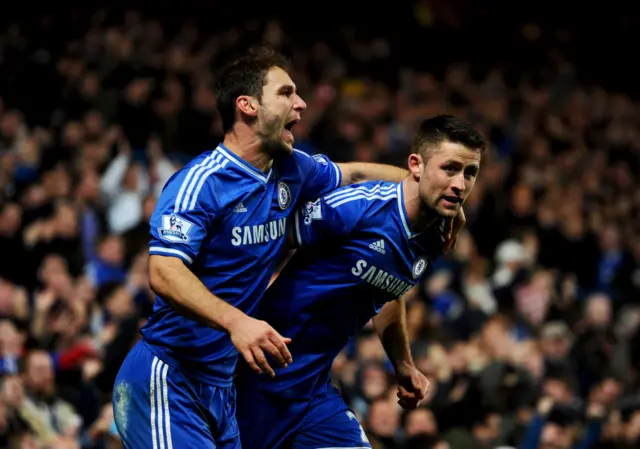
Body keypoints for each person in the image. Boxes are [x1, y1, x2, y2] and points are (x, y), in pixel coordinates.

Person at [112, 46, 422, 449]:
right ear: (248, 106)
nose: (301, 103)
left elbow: (356, 173)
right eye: (286, 92)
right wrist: (237, 322)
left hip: (221, 388)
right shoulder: (202, 181)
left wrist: (423, 190)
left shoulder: (292, 169)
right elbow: (164, 271)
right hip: (167, 375)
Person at [235, 114, 485, 449]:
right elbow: (265, 241)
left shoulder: (439, 233)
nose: (461, 183)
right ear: (416, 165)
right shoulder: (360, 207)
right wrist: (231, 319)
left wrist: (403, 364)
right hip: (258, 378)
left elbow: (385, 291)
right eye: (450, 168)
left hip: (312, 391)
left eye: (470, 173)